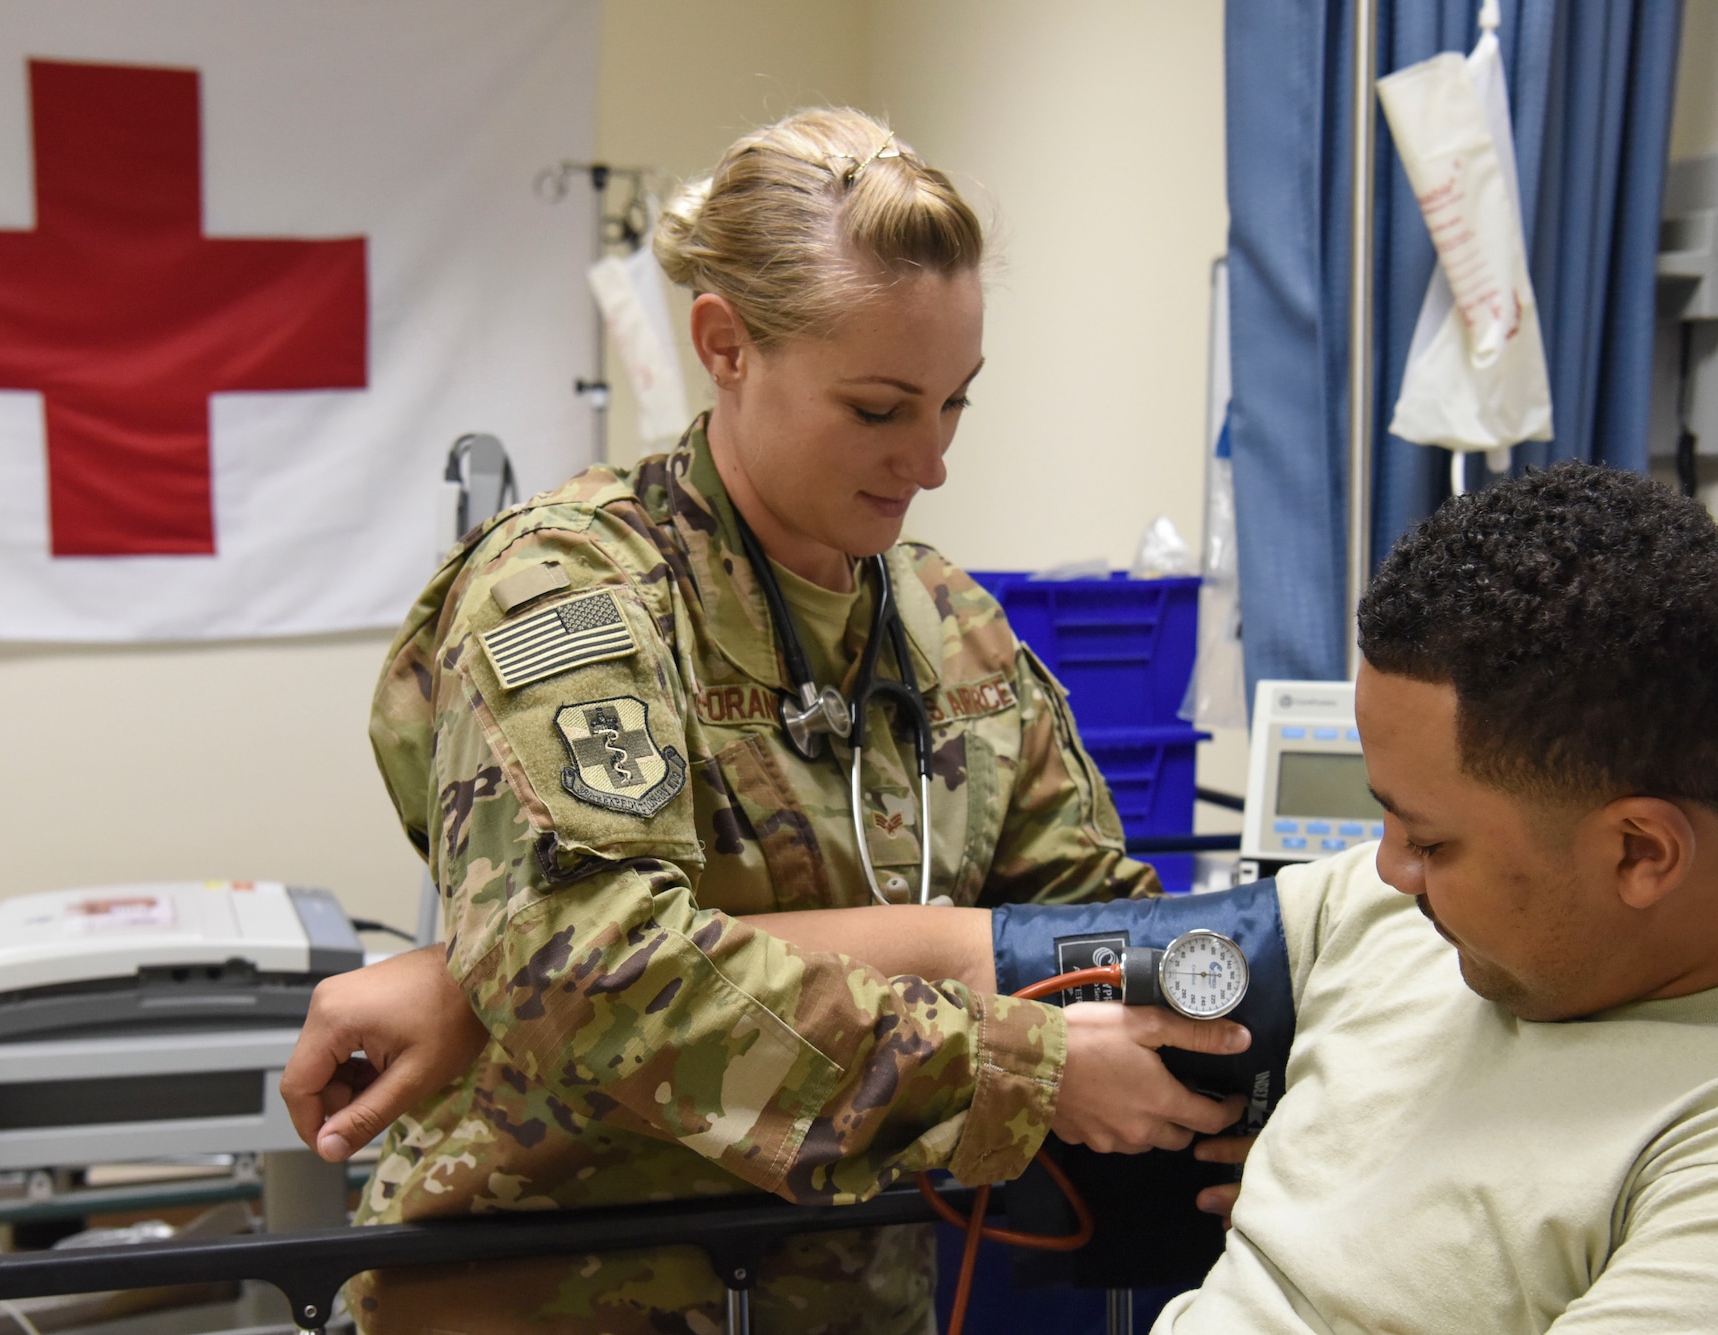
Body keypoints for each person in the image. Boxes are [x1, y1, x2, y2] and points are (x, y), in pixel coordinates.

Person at [281, 107, 1249, 1335]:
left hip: (844, 1293)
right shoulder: (572, 591)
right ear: (725, 344)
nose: (930, 460)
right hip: (552, 1288)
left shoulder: (946, 627)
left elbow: (1089, 924)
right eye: (878, 408)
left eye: (955, 403)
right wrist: (1014, 1064)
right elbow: (596, 971)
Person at [765, 464, 1718, 1331]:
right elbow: (964, 955)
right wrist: (640, 972)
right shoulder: (1386, 917)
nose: (1388, 868)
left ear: (1638, 852)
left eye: (1430, 840)